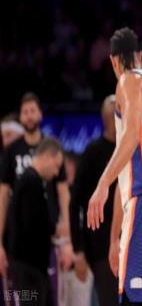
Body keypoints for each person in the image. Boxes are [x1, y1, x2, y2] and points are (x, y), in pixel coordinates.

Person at [87, 27, 142, 305]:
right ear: (139, 55)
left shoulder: (129, 80)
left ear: (113, 60)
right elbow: (129, 168)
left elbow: (130, 136)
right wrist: (115, 237)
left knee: (136, 299)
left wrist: (102, 183)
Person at [0, 93, 72, 279]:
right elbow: (3, 196)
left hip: (48, 236)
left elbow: (63, 192)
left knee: (45, 290)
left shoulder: (52, 147)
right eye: (25, 112)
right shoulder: (11, 151)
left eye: (32, 111)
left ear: (40, 114)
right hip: (18, 236)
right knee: (24, 291)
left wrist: (67, 237)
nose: (29, 116)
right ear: (20, 116)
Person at [70, 95, 118, 305]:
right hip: (100, 246)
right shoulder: (92, 152)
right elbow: (75, 203)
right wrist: (78, 249)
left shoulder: (133, 148)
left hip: (129, 240)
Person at [9, 137, 64, 306]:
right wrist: (55, 230)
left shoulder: (33, 180)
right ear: (47, 156)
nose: (56, 173)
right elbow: (32, 224)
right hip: (28, 268)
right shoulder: (30, 181)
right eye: (56, 166)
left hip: (33, 267)